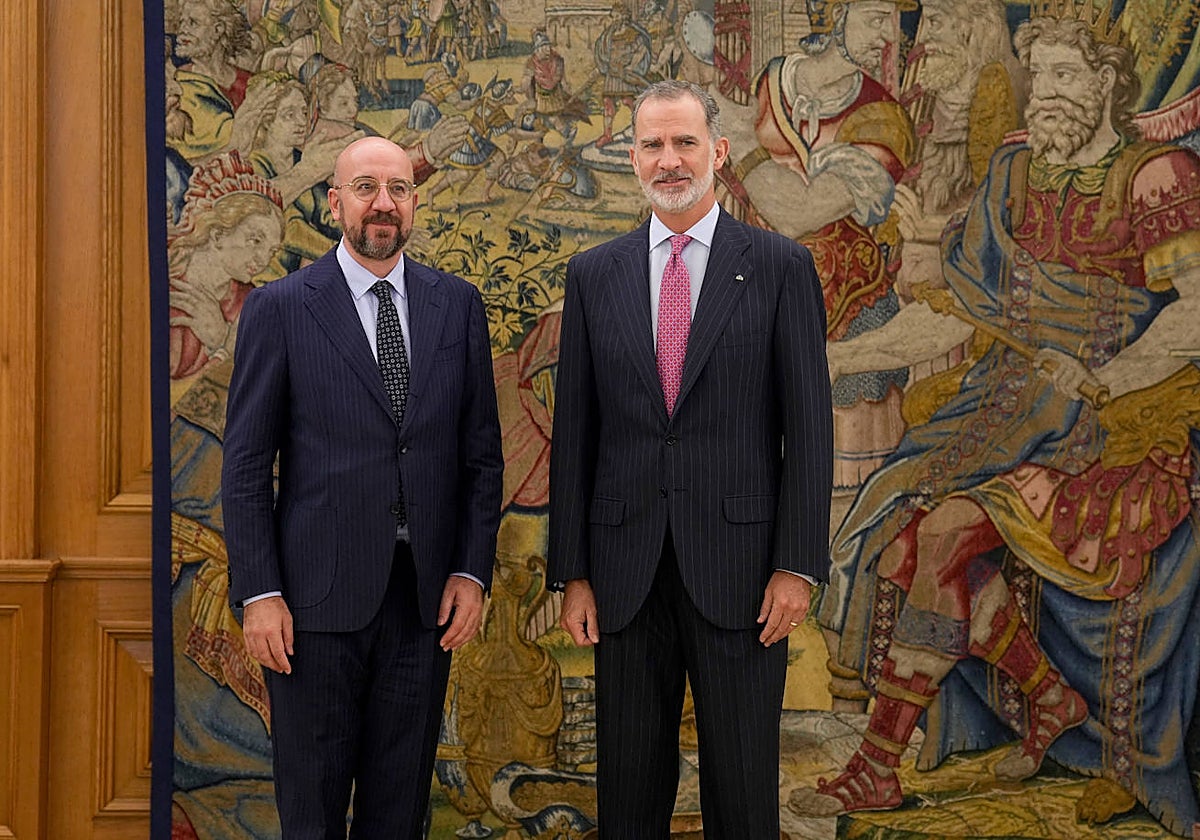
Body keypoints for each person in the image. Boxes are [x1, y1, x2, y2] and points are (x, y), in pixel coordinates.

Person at [790, 13, 1200, 834]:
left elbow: (1193, 313)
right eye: (1035, 74)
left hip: (1105, 422)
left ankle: (875, 769)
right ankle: (1048, 702)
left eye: (1061, 77)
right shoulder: (1012, 172)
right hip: (1003, 406)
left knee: (940, 533)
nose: (1041, 94)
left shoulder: (1158, 176)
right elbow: (956, 315)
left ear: (1108, 85)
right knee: (896, 529)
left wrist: (1106, 375)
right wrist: (826, 359)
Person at [547, 80, 833, 838]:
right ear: (632, 158)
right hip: (622, 575)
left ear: (719, 152)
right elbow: (576, 432)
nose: (669, 161)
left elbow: (808, 429)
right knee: (629, 794)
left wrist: (798, 565)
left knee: (741, 794)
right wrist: (572, 571)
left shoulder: (779, 267)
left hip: (745, 576)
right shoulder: (593, 275)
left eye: (684, 143)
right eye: (652, 145)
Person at [222, 135, 504, 837]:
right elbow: (248, 467)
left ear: (414, 202)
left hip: (423, 605)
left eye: (399, 189)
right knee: (312, 812)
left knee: (399, 811)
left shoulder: (457, 305)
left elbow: (481, 460)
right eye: (367, 187)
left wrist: (470, 572)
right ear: (334, 202)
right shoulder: (281, 308)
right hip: (310, 609)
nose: (384, 204)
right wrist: (259, 594)